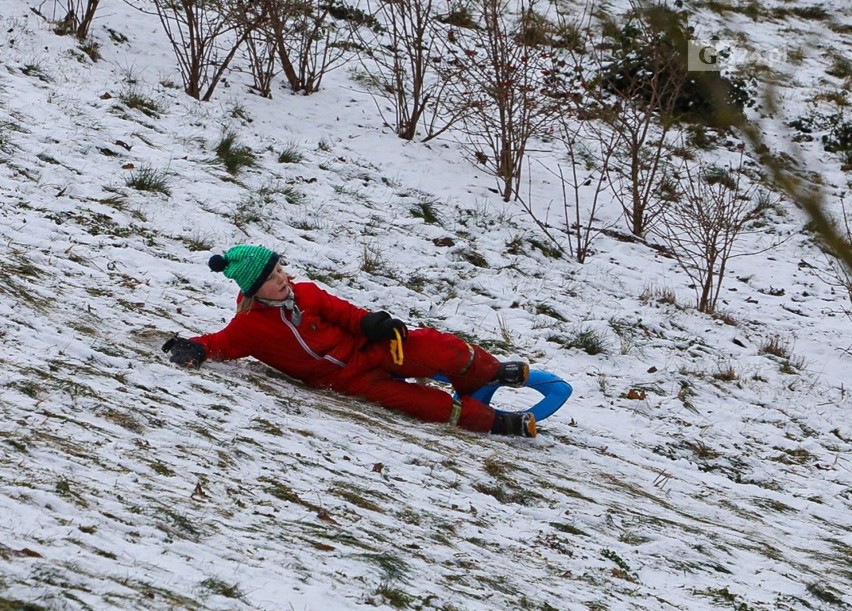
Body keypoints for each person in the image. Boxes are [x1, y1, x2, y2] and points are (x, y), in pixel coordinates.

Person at [162, 244, 536, 437]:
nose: (285, 278)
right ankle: (497, 424)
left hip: (370, 348)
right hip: (349, 381)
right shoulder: (250, 328)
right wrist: (194, 347)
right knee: (427, 405)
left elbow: (346, 313)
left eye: (281, 269)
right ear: (256, 290)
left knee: (445, 348)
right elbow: (219, 342)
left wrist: (374, 324)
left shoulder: (306, 293)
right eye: (275, 277)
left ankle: (487, 374)